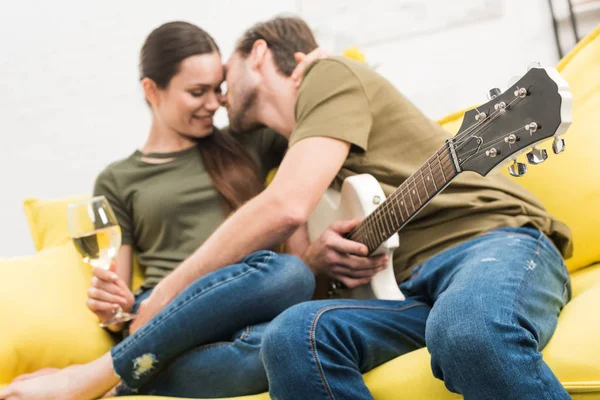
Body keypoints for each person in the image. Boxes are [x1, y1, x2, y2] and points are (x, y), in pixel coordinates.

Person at [142, 16, 569, 400]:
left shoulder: (327, 74)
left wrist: (164, 296)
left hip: (488, 244)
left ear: (256, 54)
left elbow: (286, 206)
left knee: (467, 331)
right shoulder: (292, 143)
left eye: (223, 81)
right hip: (406, 289)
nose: (219, 98)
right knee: (292, 336)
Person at [0, 20, 326, 399]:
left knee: (295, 313)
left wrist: (320, 67)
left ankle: (114, 380)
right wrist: (113, 307)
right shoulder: (118, 178)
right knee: (290, 283)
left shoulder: (248, 141)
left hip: (251, 305)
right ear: (152, 90)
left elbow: (310, 117)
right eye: (197, 92)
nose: (214, 102)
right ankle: (123, 369)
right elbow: (120, 304)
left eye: (218, 89)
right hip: (164, 317)